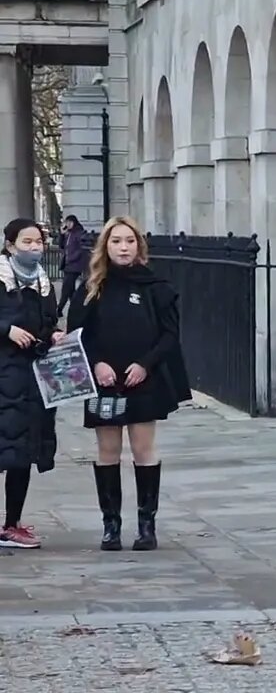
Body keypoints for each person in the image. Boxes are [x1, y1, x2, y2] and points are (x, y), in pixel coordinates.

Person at [67, 215, 192, 552]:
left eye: (129, 241)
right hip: (104, 382)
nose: (123, 247)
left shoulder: (156, 287)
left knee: (143, 449)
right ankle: (111, 526)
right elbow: (76, 335)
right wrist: (97, 364)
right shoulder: (92, 289)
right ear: (105, 247)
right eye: (116, 241)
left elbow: (169, 336)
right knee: (108, 451)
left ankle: (146, 526)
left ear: (139, 246)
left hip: (143, 380)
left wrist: (144, 365)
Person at [0, 218, 62, 549]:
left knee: (21, 451)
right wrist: (6, 330)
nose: (35, 247)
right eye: (27, 242)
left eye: (38, 241)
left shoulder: (42, 282)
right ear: (10, 245)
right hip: (4, 372)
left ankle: (12, 523)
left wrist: (53, 334)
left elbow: (48, 320)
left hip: (32, 377)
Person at [57, 214, 87, 318]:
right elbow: (61, 246)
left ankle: (59, 309)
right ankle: (78, 308)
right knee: (70, 290)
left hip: (74, 265)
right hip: (68, 265)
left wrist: (72, 258)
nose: (68, 225)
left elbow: (81, 249)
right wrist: (61, 234)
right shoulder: (68, 234)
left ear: (74, 222)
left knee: (66, 288)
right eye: (66, 223)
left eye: (69, 222)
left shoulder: (78, 233)